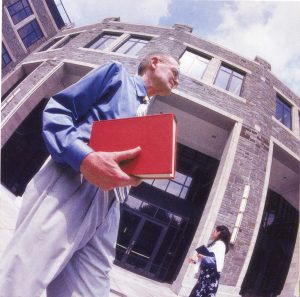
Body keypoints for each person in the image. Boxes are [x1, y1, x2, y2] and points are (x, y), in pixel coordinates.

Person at [0, 52, 180, 297]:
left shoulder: (145, 114)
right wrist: (83, 158)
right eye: (175, 73)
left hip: (110, 206)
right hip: (74, 181)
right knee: (22, 277)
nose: (177, 81)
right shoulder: (115, 74)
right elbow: (58, 110)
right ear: (155, 62)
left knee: (91, 290)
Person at [188, 225, 231, 297]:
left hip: (209, 280)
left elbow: (216, 262)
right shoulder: (216, 244)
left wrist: (203, 257)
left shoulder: (220, 244)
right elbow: (210, 259)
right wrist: (195, 261)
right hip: (205, 278)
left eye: (214, 231)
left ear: (219, 233)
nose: (212, 232)